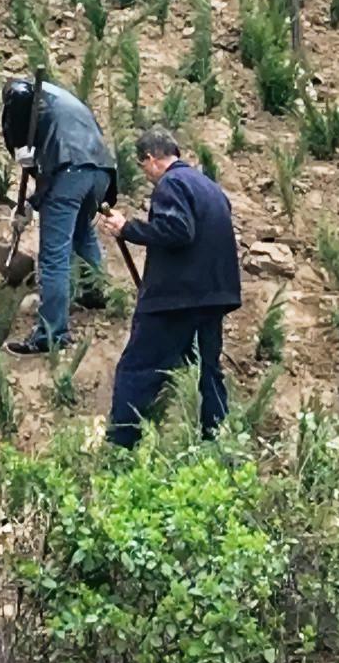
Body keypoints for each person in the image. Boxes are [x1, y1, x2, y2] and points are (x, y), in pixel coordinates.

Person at [97, 127, 241, 447]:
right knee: (207, 371)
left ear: (150, 159)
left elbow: (177, 230)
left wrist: (127, 228)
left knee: (137, 369)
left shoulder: (171, 183)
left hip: (175, 299)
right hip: (214, 296)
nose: (146, 175)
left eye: (143, 167)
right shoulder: (210, 187)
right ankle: (215, 442)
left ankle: (121, 445)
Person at [1, 77, 118, 354]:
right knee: (82, 232)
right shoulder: (60, 100)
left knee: (54, 256)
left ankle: (51, 335)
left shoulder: (23, 97)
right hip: (100, 172)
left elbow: (56, 172)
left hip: (70, 171)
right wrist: (31, 203)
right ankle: (94, 292)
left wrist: (30, 201)